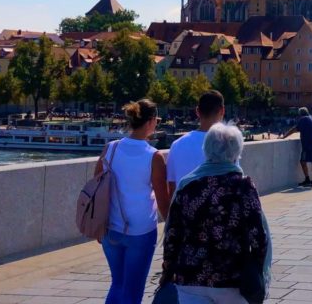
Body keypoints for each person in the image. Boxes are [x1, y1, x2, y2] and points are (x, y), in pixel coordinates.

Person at [161, 123, 271, 304]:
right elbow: (258, 235)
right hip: (232, 278)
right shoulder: (242, 186)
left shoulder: (187, 185)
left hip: (190, 276)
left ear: (206, 150)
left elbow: (172, 233)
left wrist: (168, 267)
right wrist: (256, 267)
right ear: (236, 153)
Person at [95, 99, 170, 304]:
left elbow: (96, 186)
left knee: (117, 283)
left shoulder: (110, 149)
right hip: (141, 230)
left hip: (111, 227)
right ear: (151, 121)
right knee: (133, 289)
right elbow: (163, 200)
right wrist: (173, 228)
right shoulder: (154, 156)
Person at [166, 90, 225, 197]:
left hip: (185, 212)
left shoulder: (177, 145)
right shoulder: (227, 145)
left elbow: (172, 187)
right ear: (222, 111)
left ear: (197, 111)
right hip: (217, 212)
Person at [281, 107, 312, 187]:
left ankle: (307, 179)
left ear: (300, 114)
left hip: (308, 145)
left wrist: (284, 136)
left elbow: (294, 129)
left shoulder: (303, 119)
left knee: (303, 161)